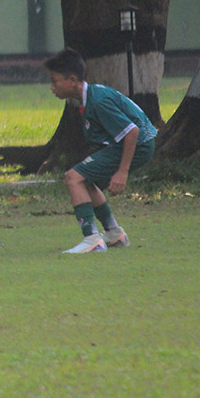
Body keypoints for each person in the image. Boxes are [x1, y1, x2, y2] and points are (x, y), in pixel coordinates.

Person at [44, 47, 157, 253]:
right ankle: (114, 234)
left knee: (73, 177)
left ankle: (92, 239)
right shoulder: (91, 97)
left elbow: (132, 131)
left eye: (54, 80)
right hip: (136, 144)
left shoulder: (98, 102)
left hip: (138, 144)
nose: (52, 87)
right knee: (84, 179)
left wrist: (122, 172)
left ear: (72, 79)